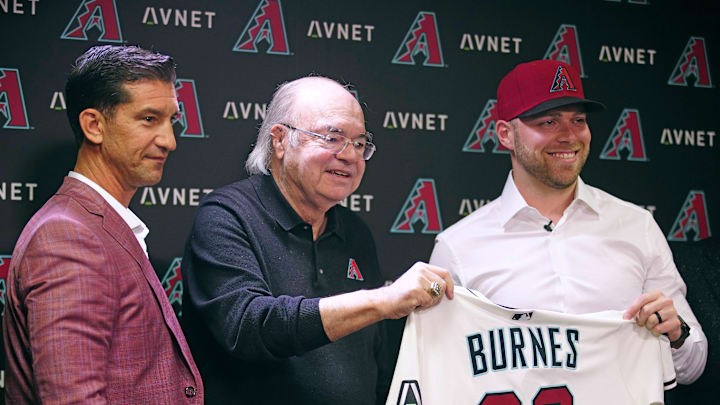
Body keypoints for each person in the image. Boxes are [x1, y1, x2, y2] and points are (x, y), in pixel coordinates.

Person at [429, 59, 707, 384]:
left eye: (578, 120)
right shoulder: (458, 246)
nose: (569, 135)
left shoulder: (637, 226)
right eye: (548, 122)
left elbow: (693, 365)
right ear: (505, 134)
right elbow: (440, 374)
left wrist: (676, 334)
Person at [180, 76, 453, 404]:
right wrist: (383, 300)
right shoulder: (227, 216)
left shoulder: (356, 232)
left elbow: (376, 363)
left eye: (360, 142)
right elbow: (249, 328)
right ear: (280, 140)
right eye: (333, 137)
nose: (350, 155)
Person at [2, 45, 203, 403]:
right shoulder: (67, 236)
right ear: (94, 125)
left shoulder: (89, 226)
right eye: (148, 119)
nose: (169, 141)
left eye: (171, 120)